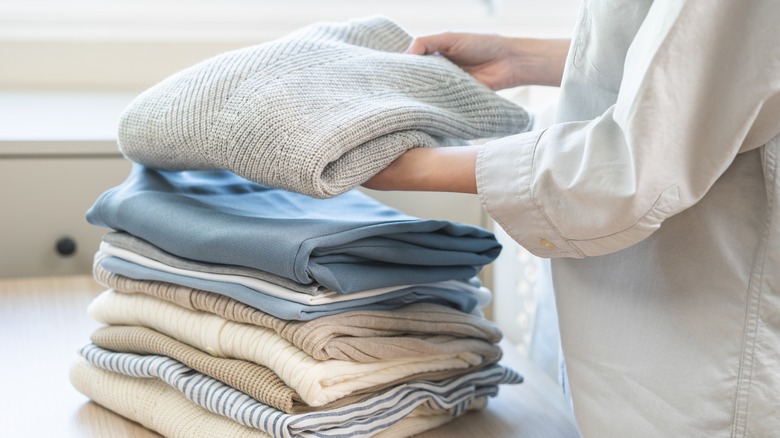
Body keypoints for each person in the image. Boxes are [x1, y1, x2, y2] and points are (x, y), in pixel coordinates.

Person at [364, 1, 780, 436]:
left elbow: (634, 162)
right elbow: (696, 57)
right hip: (627, 325)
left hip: (704, 353)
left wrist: (409, 168)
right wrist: (519, 58)